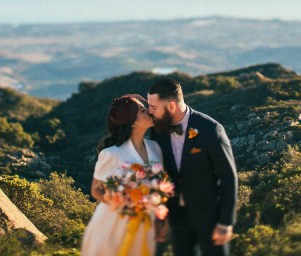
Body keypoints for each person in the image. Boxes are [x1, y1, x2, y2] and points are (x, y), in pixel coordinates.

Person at [148, 78, 238, 256]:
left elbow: (229, 177)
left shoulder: (210, 129)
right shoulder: (157, 131)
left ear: (172, 106)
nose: (150, 112)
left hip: (211, 218)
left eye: (153, 107)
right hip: (178, 219)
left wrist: (225, 222)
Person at [81, 94, 164, 256]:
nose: (149, 111)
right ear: (132, 121)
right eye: (142, 110)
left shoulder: (155, 148)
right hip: (114, 223)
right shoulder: (112, 154)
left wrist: (160, 218)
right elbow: (96, 190)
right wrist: (126, 206)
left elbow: (158, 188)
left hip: (145, 224)